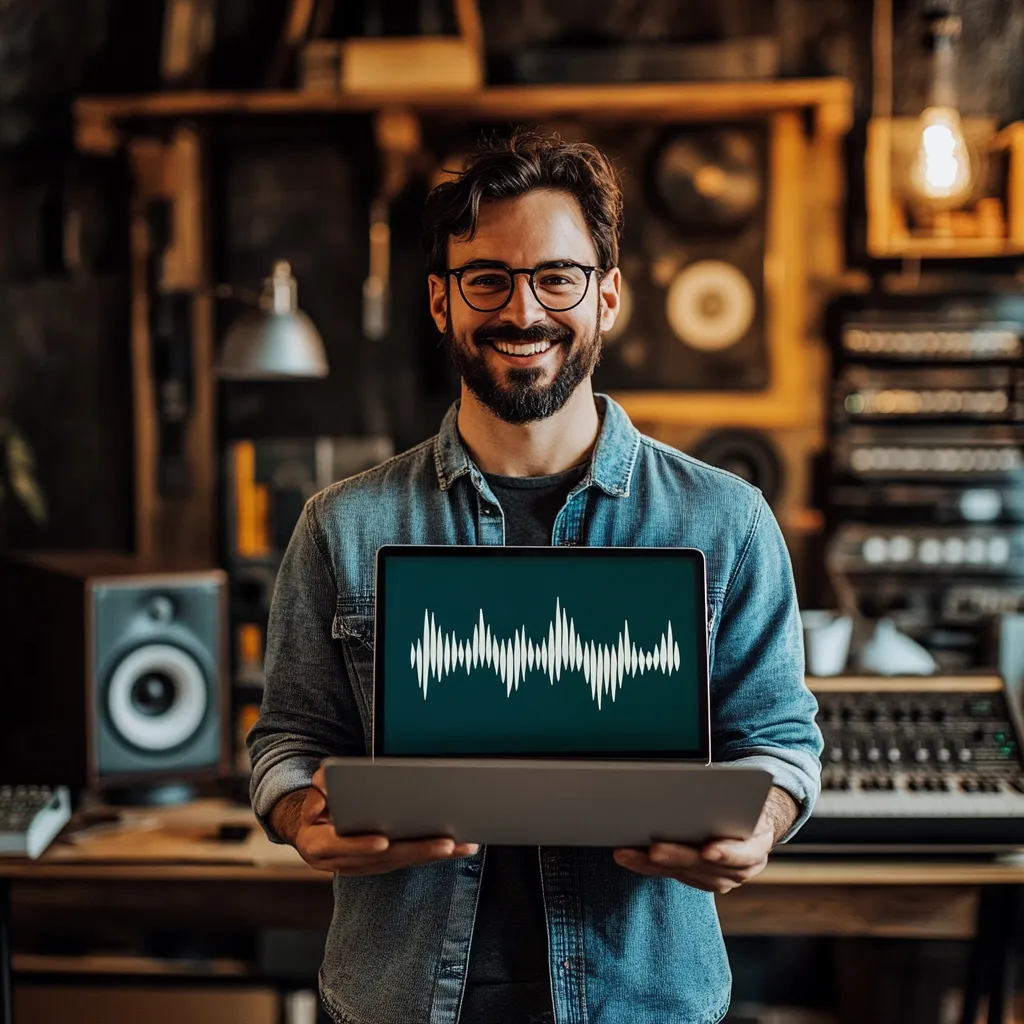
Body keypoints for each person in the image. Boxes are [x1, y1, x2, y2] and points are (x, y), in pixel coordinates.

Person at [247, 128, 822, 1024]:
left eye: (557, 277)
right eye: (488, 279)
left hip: (644, 1000)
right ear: (441, 301)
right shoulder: (342, 524)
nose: (524, 311)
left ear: (608, 296)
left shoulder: (727, 521)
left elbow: (781, 737)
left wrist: (765, 820)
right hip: (402, 1000)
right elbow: (286, 737)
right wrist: (297, 815)